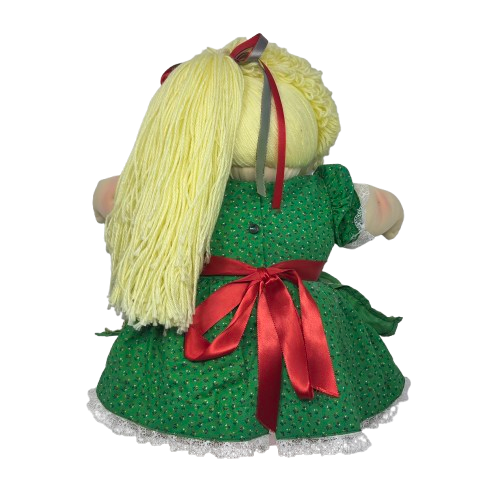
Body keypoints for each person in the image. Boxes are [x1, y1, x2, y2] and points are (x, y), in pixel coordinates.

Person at [88, 34, 409, 458]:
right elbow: (381, 207)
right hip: (310, 325)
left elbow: (111, 196)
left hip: (202, 327)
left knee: (191, 397)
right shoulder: (329, 192)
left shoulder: (179, 192)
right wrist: (393, 218)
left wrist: (107, 202)